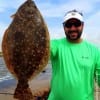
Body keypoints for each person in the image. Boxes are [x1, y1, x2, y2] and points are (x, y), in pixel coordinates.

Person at [47, 9, 100, 100]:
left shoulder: (95, 51)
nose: (72, 28)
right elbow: (38, 49)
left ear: (82, 25)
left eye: (76, 24)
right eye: (68, 25)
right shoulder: (55, 45)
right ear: (64, 27)